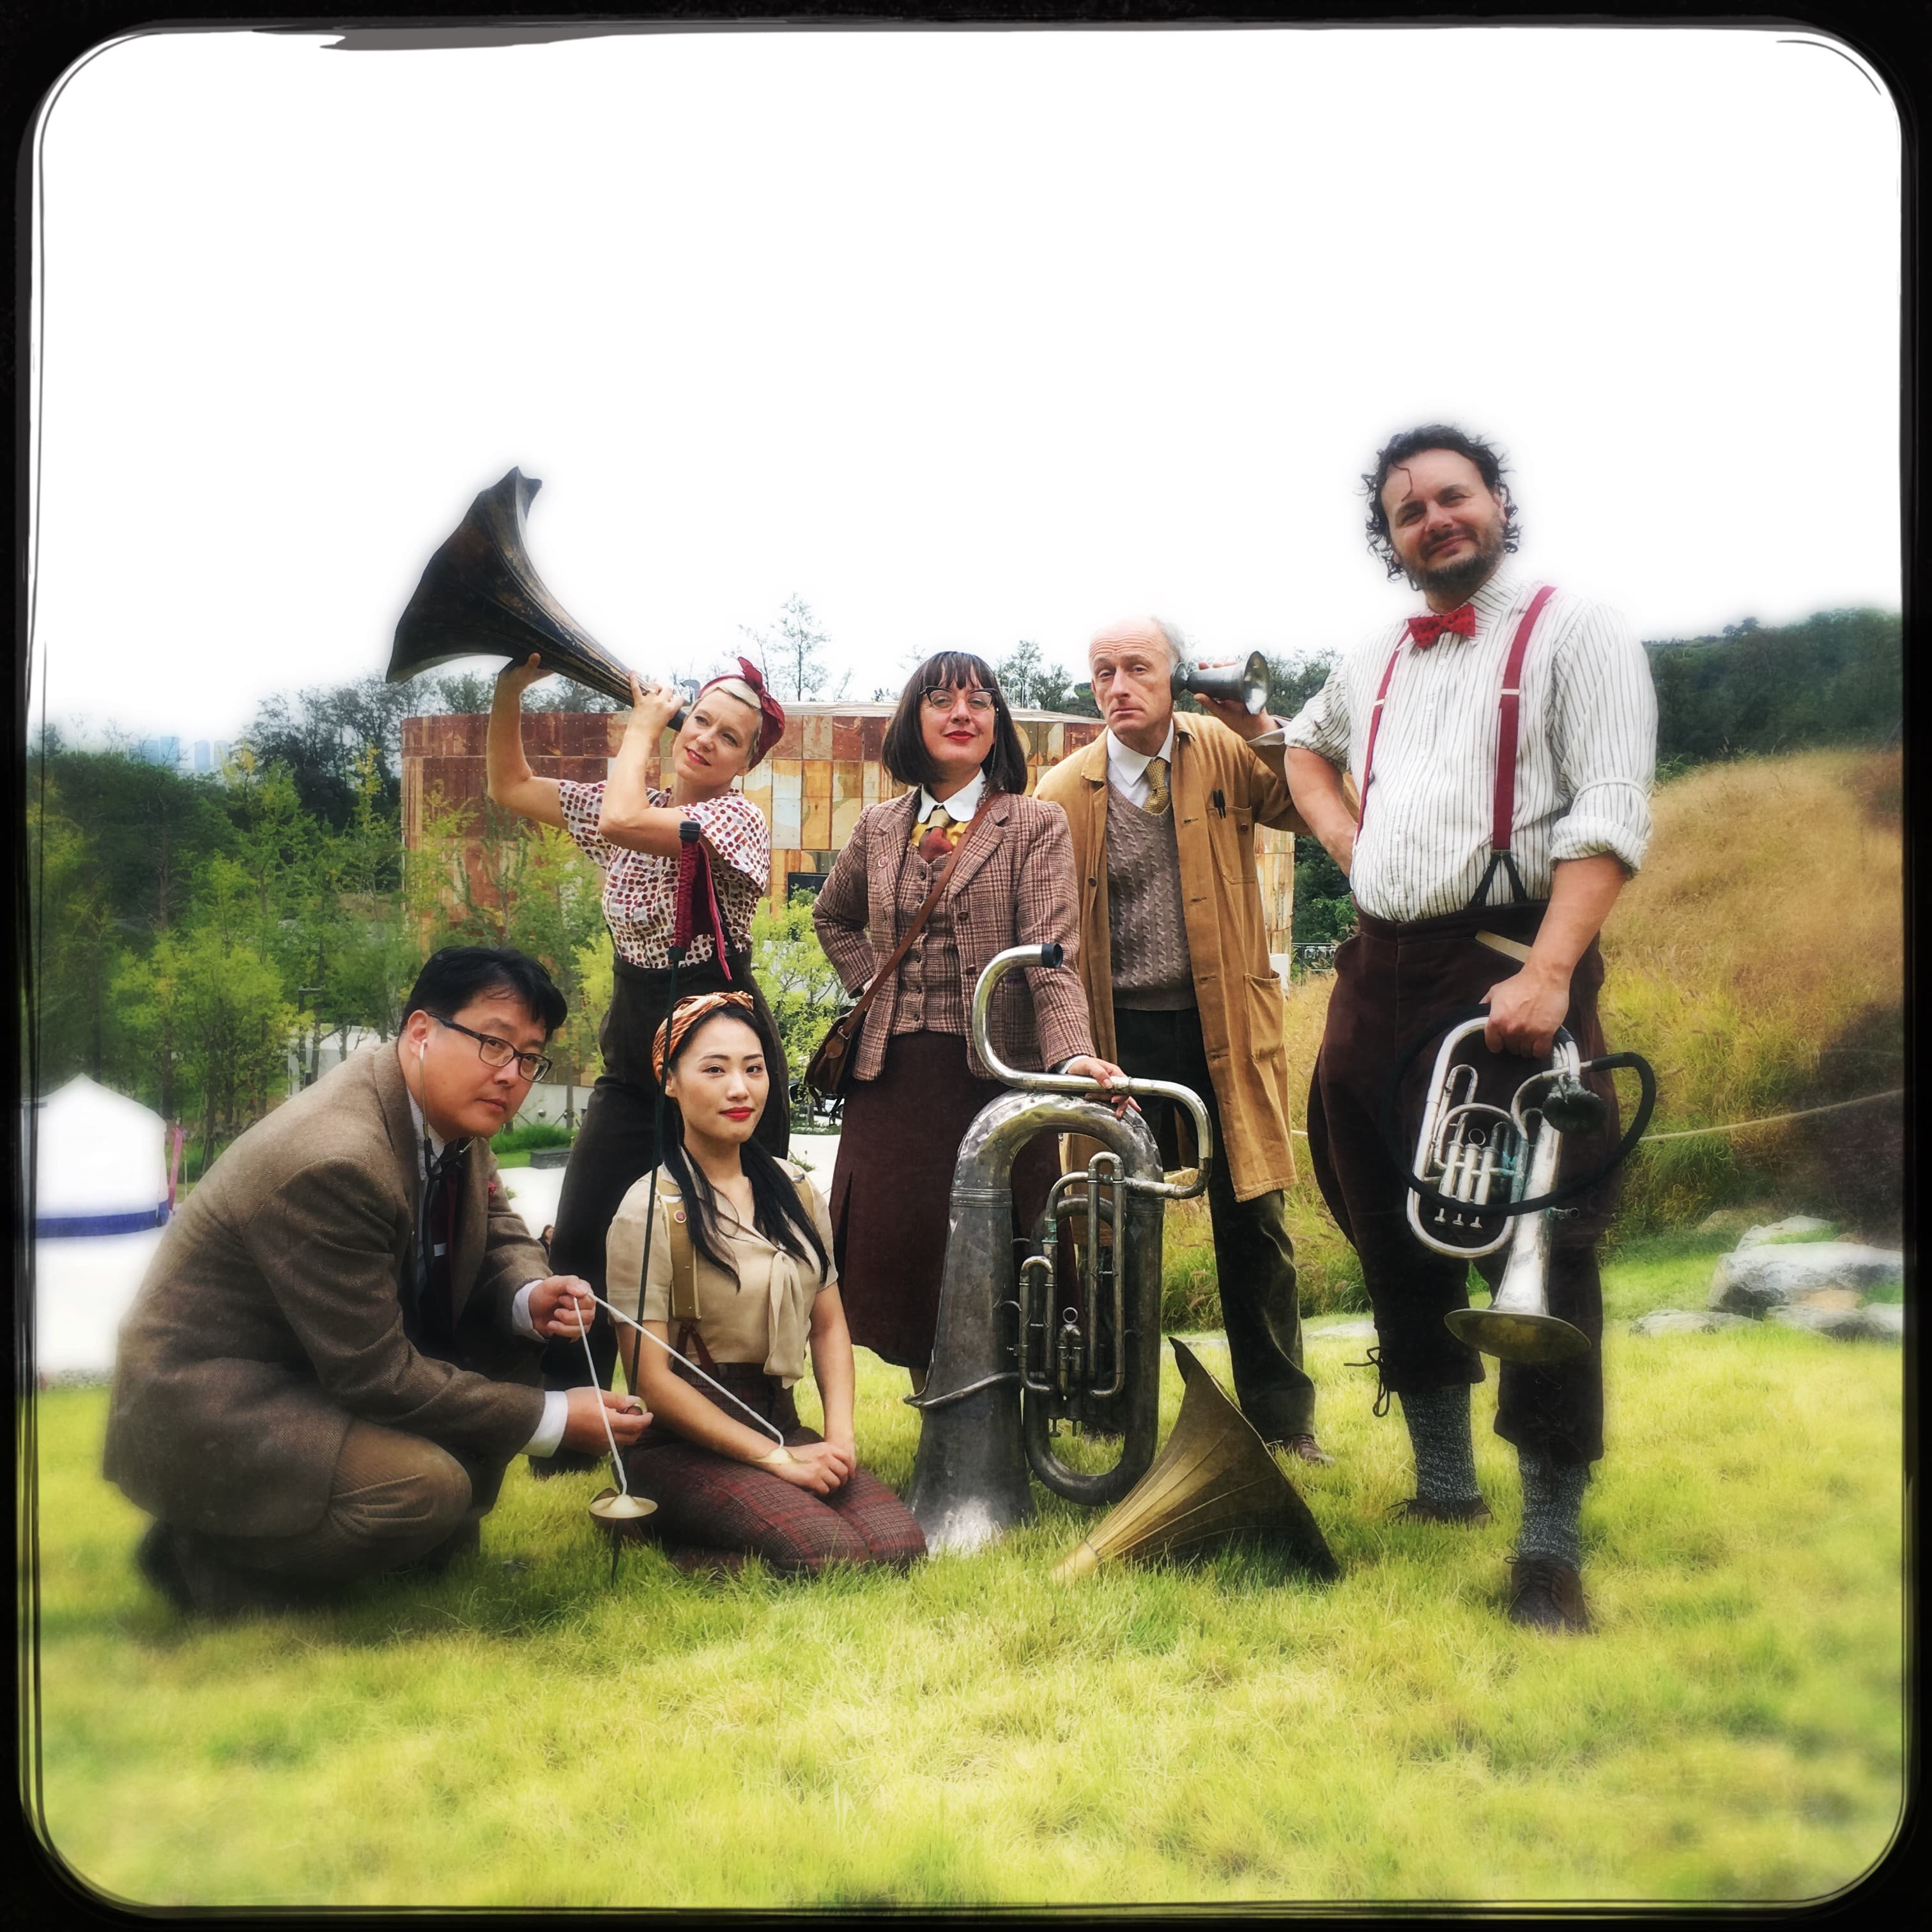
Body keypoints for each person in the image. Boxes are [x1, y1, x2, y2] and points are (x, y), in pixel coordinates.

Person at [1278, 424, 1657, 1633]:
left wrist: (1551, 967)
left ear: (1496, 500)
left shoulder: (1575, 629)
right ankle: (1441, 1483)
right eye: (1406, 510)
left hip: (1503, 964)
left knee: (1539, 1235)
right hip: (1375, 970)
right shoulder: (1373, 649)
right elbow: (1299, 743)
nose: (1433, 519)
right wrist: (1348, 841)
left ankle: (1547, 1539)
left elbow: (1607, 809)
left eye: (1452, 496)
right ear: (1386, 541)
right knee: (1388, 1213)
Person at [105, 946, 651, 1616]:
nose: (512, 1075)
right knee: (421, 1491)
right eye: (493, 1044)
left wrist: (525, 1294)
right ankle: (201, 1557)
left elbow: (496, 1220)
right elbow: (377, 1377)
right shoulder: (335, 1160)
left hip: (307, 1368)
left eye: (529, 1057)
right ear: (421, 1031)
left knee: (499, 1344)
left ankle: (420, 1547)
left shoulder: (443, 1105)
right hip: (213, 1400)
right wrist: (557, 1418)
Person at [1036, 622, 1328, 1462]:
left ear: (1175, 678)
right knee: (1109, 1227)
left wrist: (1257, 728)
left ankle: (1284, 1423)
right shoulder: (1061, 790)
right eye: (1102, 674)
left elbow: (1306, 803)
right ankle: (1110, 1417)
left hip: (1226, 1028)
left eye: (1137, 669)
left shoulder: (1222, 751)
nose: (1118, 686)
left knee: (1256, 1225)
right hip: (1120, 1037)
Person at [487, 652, 789, 1464]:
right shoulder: (633, 793)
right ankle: (574, 1429)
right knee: (580, 1235)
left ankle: (742, 1418)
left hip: (721, 1044)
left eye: (731, 738)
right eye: (702, 721)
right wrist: (513, 689)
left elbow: (623, 822)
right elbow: (511, 787)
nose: (709, 742)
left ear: (746, 761)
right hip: (634, 1048)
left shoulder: (736, 822)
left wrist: (639, 729)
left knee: (734, 1244)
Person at [812, 652, 1125, 1387]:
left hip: (992, 1078)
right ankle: (939, 1414)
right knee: (908, 1255)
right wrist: (875, 993)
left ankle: (1009, 1413)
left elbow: (1051, 957)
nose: (963, 712)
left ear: (997, 725)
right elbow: (833, 917)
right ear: (913, 721)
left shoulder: (1035, 823)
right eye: (942, 699)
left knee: (996, 1249)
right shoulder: (880, 826)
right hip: (890, 1081)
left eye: (980, 700)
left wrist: (1072, 1057)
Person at [605, 993, 926, 1572]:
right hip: (679, 1442)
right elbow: (650, 1380)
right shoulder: (648, 1209)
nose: (740, 1089)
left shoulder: (795, 1190)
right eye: (715, 1069)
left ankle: (746, 1519)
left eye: (754, 1069)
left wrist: (838, 1438)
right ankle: (656, 1536)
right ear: (670, 1081)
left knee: (898, 1548)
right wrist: (776, 1461)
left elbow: (829, 1326)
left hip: (779, 1419)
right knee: (824, 1554)